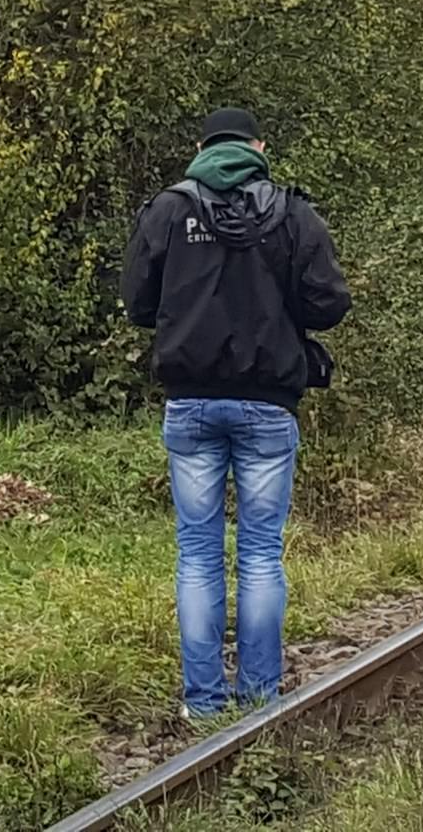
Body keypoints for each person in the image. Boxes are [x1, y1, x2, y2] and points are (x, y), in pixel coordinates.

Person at [123, 107, 352, 719]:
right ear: (258, 145)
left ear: (200, 146)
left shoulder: (168, 209)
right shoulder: (292, 213)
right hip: (268, 406)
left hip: (191, 405)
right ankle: (259, 700)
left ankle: (202, 704)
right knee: (259, 553)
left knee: (197, 555)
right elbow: (330, 302)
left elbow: (136, 302)